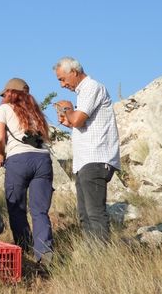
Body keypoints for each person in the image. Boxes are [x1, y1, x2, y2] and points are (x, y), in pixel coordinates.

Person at [53, 57, 121, 242]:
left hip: (96, 158)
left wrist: (67, 109)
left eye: (62, 78)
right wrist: (68, 120)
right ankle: (92, 257)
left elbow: (77, 120)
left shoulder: (92, 87)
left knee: (95, 214)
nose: (62, 84)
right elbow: (80, 124)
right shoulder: (84, 92)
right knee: (84, 215)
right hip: (85, 161)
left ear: (74, 72)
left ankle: (101, 258)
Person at [0, 78, 54, 264]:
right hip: (43, 160)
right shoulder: (35, 112)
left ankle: (25, 249)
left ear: (10, 93)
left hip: (18, 160)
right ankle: (44, 256)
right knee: (39, 211)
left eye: (5, 94)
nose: (3, 98)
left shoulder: (4, 109)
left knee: (17, 208)